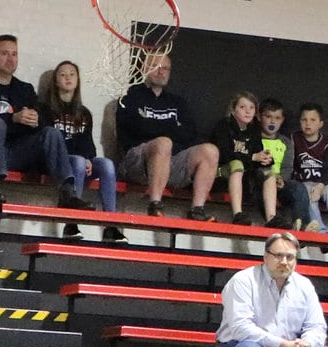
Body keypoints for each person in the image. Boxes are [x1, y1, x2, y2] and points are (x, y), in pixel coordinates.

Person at [116, 55, 217, 219]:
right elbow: (135, 129)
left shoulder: (178, 102)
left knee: (210, 151)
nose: (161, 71)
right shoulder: (130, 97)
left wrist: (153, 127)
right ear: (144, 69)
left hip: (171, 162)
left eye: (165, 68)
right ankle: (155, 204)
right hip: (137, 162)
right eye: (155, 66)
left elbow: (189, 134)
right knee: (163, 143)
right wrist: (170, 128)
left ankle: (197, 210)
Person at [0, 35, 66, 190]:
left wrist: (36, 120)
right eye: (4, 53)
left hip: (15, 152)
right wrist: (13, 119)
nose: (10, 59)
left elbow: (42, 126)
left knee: (51, 133)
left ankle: (67, 191)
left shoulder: (25, 89)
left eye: (14, 54)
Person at [39, 62, 118, 232]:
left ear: (78, 80)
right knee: (79, 161)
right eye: (62, 74)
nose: (67, 77)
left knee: (107, 165)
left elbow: (88, 144)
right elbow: (50, 144)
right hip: (59, 162)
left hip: (81, 161)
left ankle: (111, 224)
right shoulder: (45, 110)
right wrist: (83, 159)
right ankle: (71, 223)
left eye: (72, 74)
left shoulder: (84, 113)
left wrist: (89, 159)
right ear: (55, 81)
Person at [204, 93, 271, 225]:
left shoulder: (254, 129)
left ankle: (271, 217)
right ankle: (238, 214)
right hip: (219, 174)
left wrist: (266, 159)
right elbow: (224, 154)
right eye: (242, 107)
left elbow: (257, 153)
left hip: (245, 179)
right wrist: (252, 157)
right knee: (237, 164)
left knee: (269, 171)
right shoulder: (223, 125)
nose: (248, 111)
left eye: (252, 107)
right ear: (233, 109)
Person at [289, 105, 328, 234]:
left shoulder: (327, 142)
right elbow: (291, 165)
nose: (308, 123)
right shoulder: (294, 138)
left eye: (313, 120)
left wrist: (320, 186)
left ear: (320, 124)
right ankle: (320, 230)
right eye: (304, 120)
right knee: (307, 191)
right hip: (305, 182)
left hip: (325, 181)